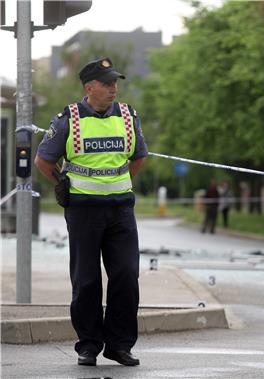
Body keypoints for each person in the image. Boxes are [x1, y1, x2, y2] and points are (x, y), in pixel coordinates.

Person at [34, 57, 147, 367]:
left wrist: (117, 184)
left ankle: (119, 345)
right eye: (107, 83)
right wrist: (63, 184)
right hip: (83, 212)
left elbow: (138, 157)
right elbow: (43, 161)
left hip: (121, 211)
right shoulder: (67, 119)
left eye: (115, 83)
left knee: (125, 276)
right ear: (89, 87)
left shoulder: (127, 116)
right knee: (86, 281)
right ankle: (89, 345)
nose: (114, 88)